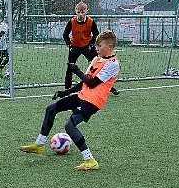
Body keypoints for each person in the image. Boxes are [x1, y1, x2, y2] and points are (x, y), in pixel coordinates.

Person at [20, 30, 120, 170]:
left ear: (110, 46)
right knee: (51, 108)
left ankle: (90, 160)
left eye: (100, 46)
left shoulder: (113, 64)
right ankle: (39, 144)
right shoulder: (96, 59)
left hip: (93, 102)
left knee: (69, 125)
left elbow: (92, 83)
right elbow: (84, 83)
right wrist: (65, 92)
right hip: (82, 96)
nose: (96, 49)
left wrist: (76, 70)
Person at [63, 2, 119, 95]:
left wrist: (91, 44)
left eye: (82, 12)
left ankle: (110, 88)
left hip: (87, 47)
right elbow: (65, 34)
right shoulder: (72, 22)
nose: (80, 14)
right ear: (75, 12)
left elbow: (96, 33)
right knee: (70, 68)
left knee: (99, 66)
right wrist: (69, 45)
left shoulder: (91, 21)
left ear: (86, 12)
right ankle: (66, 90)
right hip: (75, 47)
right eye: (78, 12)